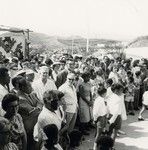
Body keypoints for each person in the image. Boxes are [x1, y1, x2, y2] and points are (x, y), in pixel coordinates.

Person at [17, 78, 42, 150]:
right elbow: (32, 112)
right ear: (22, 87)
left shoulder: (31, 94)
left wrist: (37, 107)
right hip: (29, 128)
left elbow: (40, 102)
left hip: (35, 124)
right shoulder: (20, 98)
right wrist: (38, 107)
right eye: (29, 86)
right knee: (31, 146)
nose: (32, 88)